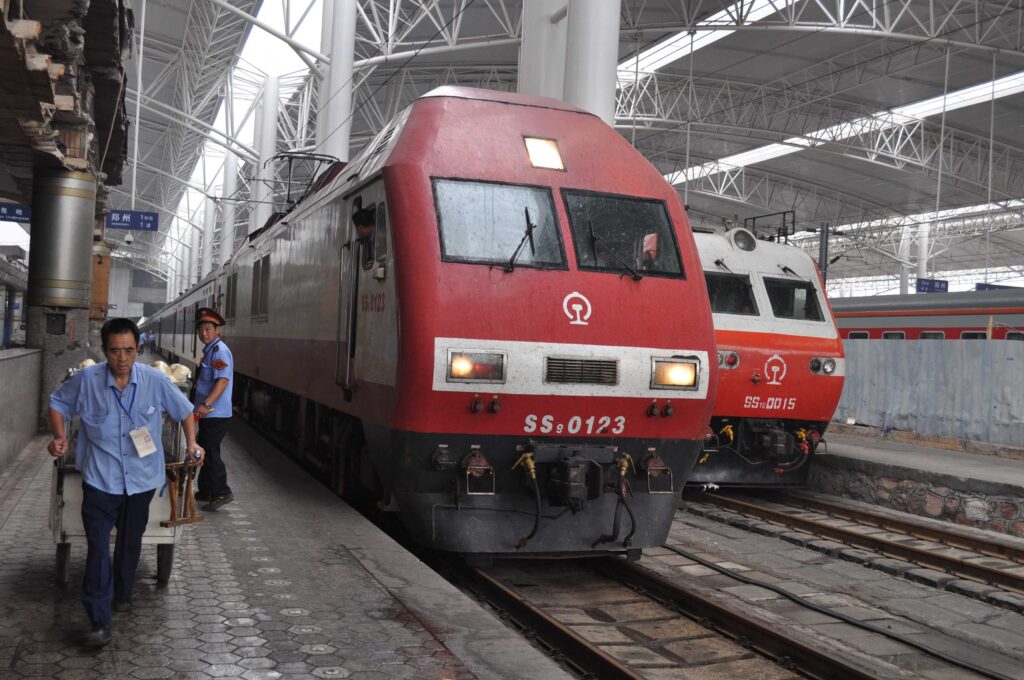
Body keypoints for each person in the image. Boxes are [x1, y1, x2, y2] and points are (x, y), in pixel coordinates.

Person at [47, 318, 204, 648]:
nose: (122, 358)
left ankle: (122, 593)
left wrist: (192, 444)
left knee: (130, 542)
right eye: (115, 351)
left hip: (141, 480)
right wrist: (59, 437)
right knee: (98, 549)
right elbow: (58, 403)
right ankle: (99, 619)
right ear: (104, 351)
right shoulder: (87, 381)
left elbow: (185, 411)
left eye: (129, 351)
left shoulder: (154, 381)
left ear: (138, 349)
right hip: (100, 481)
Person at [193, 307, 235, 512]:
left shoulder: (219, 351)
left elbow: (222, 381)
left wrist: (206, 404)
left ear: (217, 330)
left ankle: (222, 492)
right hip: (210, 412)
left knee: (209, 452)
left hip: (215, 413)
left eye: (208, 329)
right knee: (205, 447)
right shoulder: (210, 351)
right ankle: (206, 490)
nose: (204, 333)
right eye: (201, 329)